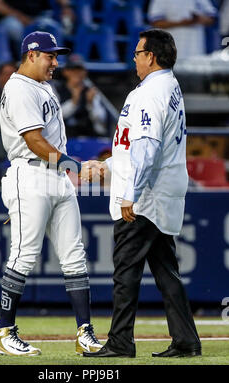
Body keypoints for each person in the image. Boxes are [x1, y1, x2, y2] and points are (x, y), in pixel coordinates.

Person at [84, 29, 201, 358]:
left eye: (138, 53)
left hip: (145, 193)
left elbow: (147, 148)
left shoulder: (150, 93)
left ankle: (121, 341)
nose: (134, 58)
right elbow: (138, 147)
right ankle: (186, 340)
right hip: (160, 188)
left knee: (125, 270)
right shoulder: (168, 86)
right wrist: (108, 167)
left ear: (151, 56)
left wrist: (130, 193)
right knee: (165, 270)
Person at [0, 31, 102, 357]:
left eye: (56, 55)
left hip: (55, 179)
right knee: (23, 254)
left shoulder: (43, 86)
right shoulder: (19, 87)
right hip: (31, 175)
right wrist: (75, 166)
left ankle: (84, 332)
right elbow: (34, 143)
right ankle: (4, 331)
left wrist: (67, 169)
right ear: (31, 55)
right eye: (50, 56)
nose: (56, 62)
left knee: (74, 254)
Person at [54, 54, 107, 138]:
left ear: (85, 72)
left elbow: (101, 120)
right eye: (73, 70)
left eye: (80, 70)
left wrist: (90, 104)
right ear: (65, 72)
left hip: (87, 138)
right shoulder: (56, 89)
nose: (77, 73)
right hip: (63, 138)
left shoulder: (91, 91)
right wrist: (73, 102)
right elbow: (54, 116)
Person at [148, 0, 217, 59]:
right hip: (169, 51)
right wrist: (181, 23)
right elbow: (155, 22)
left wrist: (198, 19)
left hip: (196, 50)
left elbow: (212, 19)